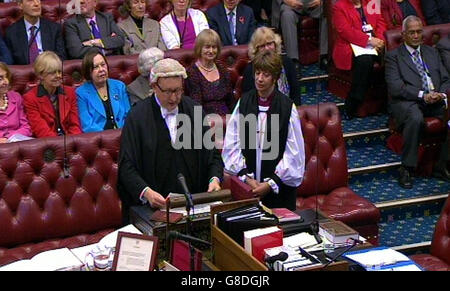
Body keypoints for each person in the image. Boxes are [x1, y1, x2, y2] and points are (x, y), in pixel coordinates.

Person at [118, 58, 224, 224]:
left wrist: (214, 179)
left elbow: (213, 157)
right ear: (153, 87)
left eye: (178, 91)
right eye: (168, 91)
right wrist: (146, 192)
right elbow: (126, 166)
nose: (174, 98)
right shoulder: (137, 116)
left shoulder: (194, 110)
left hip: (192, 203)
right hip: (154, 208)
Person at [222, 50, 305, 210]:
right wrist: (247, 177)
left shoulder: (287, 107)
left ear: (275, 77)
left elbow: (294, 153)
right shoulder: (244, 103)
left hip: (278, 192)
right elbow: (232, 144)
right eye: (257, 73)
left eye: (265, 75)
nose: (259, 79)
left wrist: (270, 183)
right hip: (248, 187)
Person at [385, 16, 450, 188]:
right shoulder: (393, 57)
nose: (416, 36)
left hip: (434, 99)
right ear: (404, 34)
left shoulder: (432, 52)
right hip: (408, 101)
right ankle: (407, 168)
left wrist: (441, 95)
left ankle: (442, 164)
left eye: (419, 32)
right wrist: (423, 95)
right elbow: (396, 88)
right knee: (415, 117)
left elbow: (445, 78)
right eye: (412, 32)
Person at [333, 0, 386, 119]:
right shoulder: (339, 7)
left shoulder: (372, 3)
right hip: (351, 45)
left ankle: (388, 103)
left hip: (375, 44)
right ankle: (353, 102)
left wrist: (380, 40)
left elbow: (381, 23)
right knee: (365, 61)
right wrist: (368, 40)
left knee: (392, 56)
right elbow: (345, 31)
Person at [23, 52, 82, 138]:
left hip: (71, 142)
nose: (58, 76)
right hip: (48, 145)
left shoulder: (70, 92)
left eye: (59, 71)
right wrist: (60, 145)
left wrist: (71, 143)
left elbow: (75, 126)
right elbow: (41, 130)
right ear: (40, 75)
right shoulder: (30, 98)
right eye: (52, 73)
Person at [242, 27, 301, 105]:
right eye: (262, 46)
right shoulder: (250, 69)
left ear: (275, 45)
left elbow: (296, 93)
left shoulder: (287, 62)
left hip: (288, 109)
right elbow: (249, 100)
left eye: (269, 44)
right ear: (256, 49)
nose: (267, 48)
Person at [76, 50, 131, 132]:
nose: (101, 69)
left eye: (103, 65)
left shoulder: (119, 86)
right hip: (98, 139)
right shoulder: (81, 93)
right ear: (88, 71)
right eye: (95, 67)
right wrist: (106, 138)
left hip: (123, 134)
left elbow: (128, 115)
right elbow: (87, 125)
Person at [185, 29, 234, 115]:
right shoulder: (192, 72)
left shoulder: (222, 69)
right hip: (205, 120)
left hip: (227, 119)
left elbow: (230, 101)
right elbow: (196, 106)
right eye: (207, 47)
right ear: (200, 48)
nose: (211, 51)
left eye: (214, 47)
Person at [4, 0, 66, 65]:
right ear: (20, 5)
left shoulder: (54, 29)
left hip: (49, 71)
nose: (36, 4)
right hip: (25, 73)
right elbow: (10, 64)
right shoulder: (11, 32)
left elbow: (61, 57)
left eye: (38, 0)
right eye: (30, 0)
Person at [271, 0, 328, 69]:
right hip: (290, 4)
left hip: (314, 4)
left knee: (327, 9)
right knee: (287, 15)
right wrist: (288, 1)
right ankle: (293, 61)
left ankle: (324, 56)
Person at [0, 62, 32, 142]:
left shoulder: (15, 97)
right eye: (0, 78)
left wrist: (9, 139)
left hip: (17, 144)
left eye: (6, 77)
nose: (6, 82)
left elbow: (26, 128)